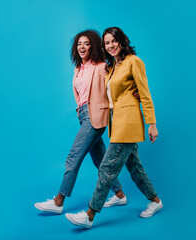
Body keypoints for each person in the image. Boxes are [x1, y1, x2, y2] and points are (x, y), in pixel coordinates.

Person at [65, 27, 163, 229]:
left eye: (113, 41)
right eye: (107, 43)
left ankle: (90, 215)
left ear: (122, 41)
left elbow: (144, 94)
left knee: (107, 168)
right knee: (134, 167)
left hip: (128, 123)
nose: (110, 46)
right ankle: (155, 201)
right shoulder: (112, 68)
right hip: (116, 123)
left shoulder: (134, 62)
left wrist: (151, 123)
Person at [34, 30, 129, 214]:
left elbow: (116, 82)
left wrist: (131, 93)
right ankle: (119, 194)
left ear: (93, 45)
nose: (82, 47)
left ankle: (58, 201)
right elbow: (81, 96)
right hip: (83, 116)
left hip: (95, 117)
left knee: (73, 157)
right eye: (79, 44)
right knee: (100, 160)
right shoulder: (78, 68)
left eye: (86, 43)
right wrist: (80, 111)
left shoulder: (101, 66)